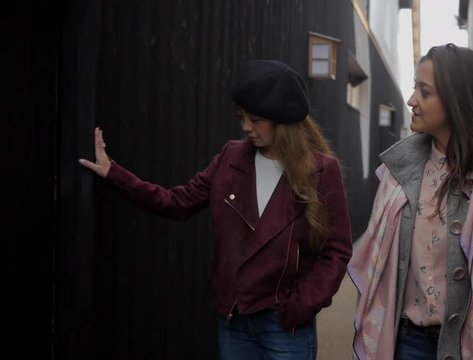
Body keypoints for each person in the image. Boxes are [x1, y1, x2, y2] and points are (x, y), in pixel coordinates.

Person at [79, 59, 352, 360]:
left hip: (284, 325)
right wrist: (114, 173)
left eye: (256, 118)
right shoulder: (230, 157)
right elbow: (176, 202)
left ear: (283, 119)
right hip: (234, 320)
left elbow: (336, 251)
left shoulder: (322, 171)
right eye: (242, 117)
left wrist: (301, 305)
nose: (246, 127)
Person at [348, 44, 473, 360]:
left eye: (425, 92)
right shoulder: (399, 171)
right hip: (403, 342)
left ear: (459, 102)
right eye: (415, 88)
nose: (412, 100)